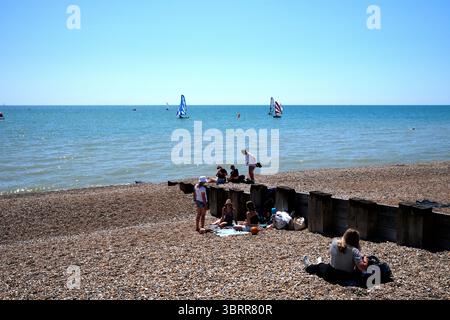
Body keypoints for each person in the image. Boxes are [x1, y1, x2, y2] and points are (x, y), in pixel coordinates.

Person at [303, 228, 369, 285]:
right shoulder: (355, 251)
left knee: (320, 266)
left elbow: (332, 254)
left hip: (330, 273)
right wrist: (365, 259)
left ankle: (309, 266)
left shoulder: (335, 242)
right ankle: (318, 264)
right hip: (345, 277)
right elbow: (362, 267)